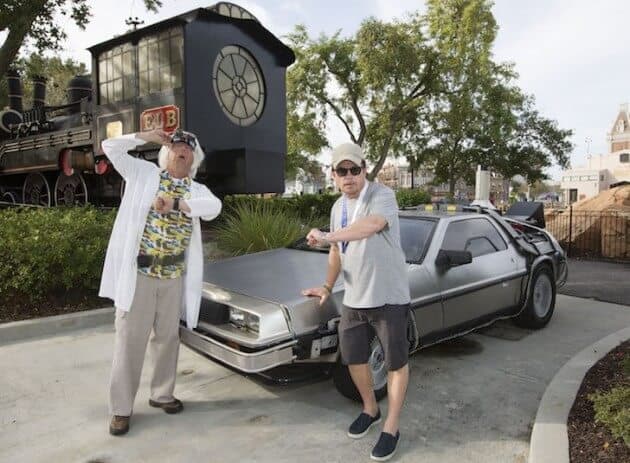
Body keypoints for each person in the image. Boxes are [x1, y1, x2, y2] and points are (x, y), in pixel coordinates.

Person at [99, 128, 222, 436]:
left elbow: (214, 208)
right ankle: (120, 410)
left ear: (194, 158)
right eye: (176, 145)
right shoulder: (143, 174)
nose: (182, 150)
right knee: (130, 342)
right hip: (140, 275)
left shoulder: (196, 189)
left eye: (188, 148)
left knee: (167, 340)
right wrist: (145, 136)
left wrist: (177, 204)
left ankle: (162, 394)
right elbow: (110, 147)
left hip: (173, 278)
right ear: (166, 152)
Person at [302, 142, 410, 461]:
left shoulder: (382, 196)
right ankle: (371, 409)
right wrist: (326, 285)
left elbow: (370, 227)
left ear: (364, 170)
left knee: (395, 363)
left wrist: (326, 236)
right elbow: (337, 252)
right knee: (353, 358)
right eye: (341, 171)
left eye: (354, 170)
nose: (348, 177)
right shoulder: (337, 208)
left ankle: (391, 426)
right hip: (355, 297)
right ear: (333, 175)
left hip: (388, 295)